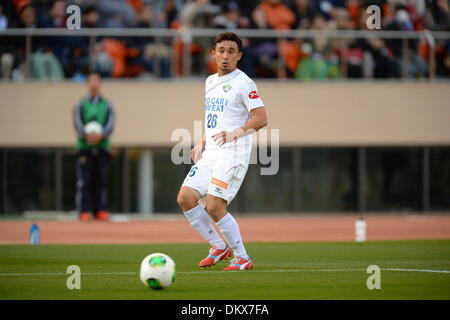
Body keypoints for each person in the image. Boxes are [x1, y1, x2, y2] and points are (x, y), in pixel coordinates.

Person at [177, 32, 268, 271]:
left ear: (239, 56)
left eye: (231, 52)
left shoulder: (244, 82)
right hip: (211, 153)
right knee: (185, 198)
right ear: (213, 54)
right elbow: (214, 120)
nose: (225, 56)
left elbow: (261, 119)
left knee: (215, 206)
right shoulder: (209, 82)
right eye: (221, 51)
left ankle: (242, 258)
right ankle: (219, 246)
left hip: (232, 154)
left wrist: (235, 134)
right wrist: (201, 143)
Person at [73, 72, 115, 221]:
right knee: (84, 180)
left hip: (102, 147)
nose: (94, 84)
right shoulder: (80, 104)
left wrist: (101, 135)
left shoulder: (107, 104)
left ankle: (100, 210)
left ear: (100, 83)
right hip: (84, 148)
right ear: (87, 83)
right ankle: (84, 210)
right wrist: (87, 136)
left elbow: (111, 124)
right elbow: (77, 123)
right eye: (91, 81)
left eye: (97, 81)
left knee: (101, 180)